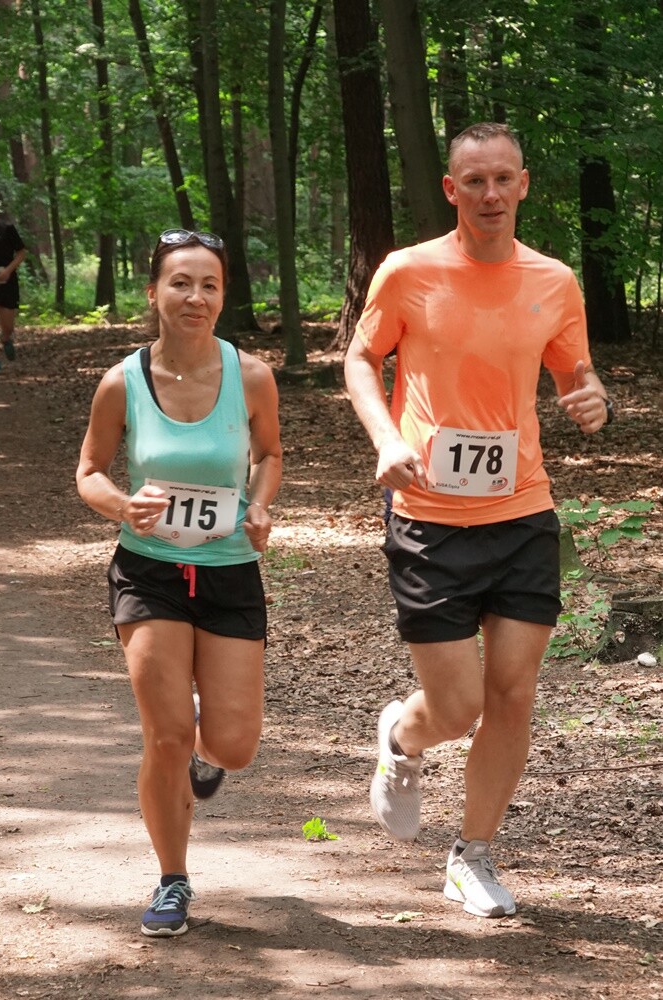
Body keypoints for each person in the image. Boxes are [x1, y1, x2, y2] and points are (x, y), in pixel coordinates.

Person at [344, 123, 614, 919]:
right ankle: (401, 737)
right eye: (474, 181)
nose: (489, 194)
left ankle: (474, 856)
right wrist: (386, 438)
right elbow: (359, 359)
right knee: (455, 707)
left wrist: (590, 397)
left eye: (503, 179)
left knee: (514, 693)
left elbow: (574, 369)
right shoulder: (410, 271)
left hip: (523, 508)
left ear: (523, 185)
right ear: (451, 189)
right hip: (427, 515)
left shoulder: (554, 280)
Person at [76, 229, 282, 937]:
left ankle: (206, 753)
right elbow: (90, 471)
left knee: (233, 746)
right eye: (181, 283)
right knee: (165, 733)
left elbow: (270, 454)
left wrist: (258, 503)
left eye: (209, 285)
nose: (195, 297)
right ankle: (172, 879)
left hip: (229, 572)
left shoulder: (251, 375)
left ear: (223, 297)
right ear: (154, 293)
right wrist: (120, 504)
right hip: (148, 572)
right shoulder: (121, 381)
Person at [0, 192, 27, 372]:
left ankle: (6, 338)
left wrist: (8, 271)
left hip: (7, 281)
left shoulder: (7, 229)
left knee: (8, 325)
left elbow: (22, 252)